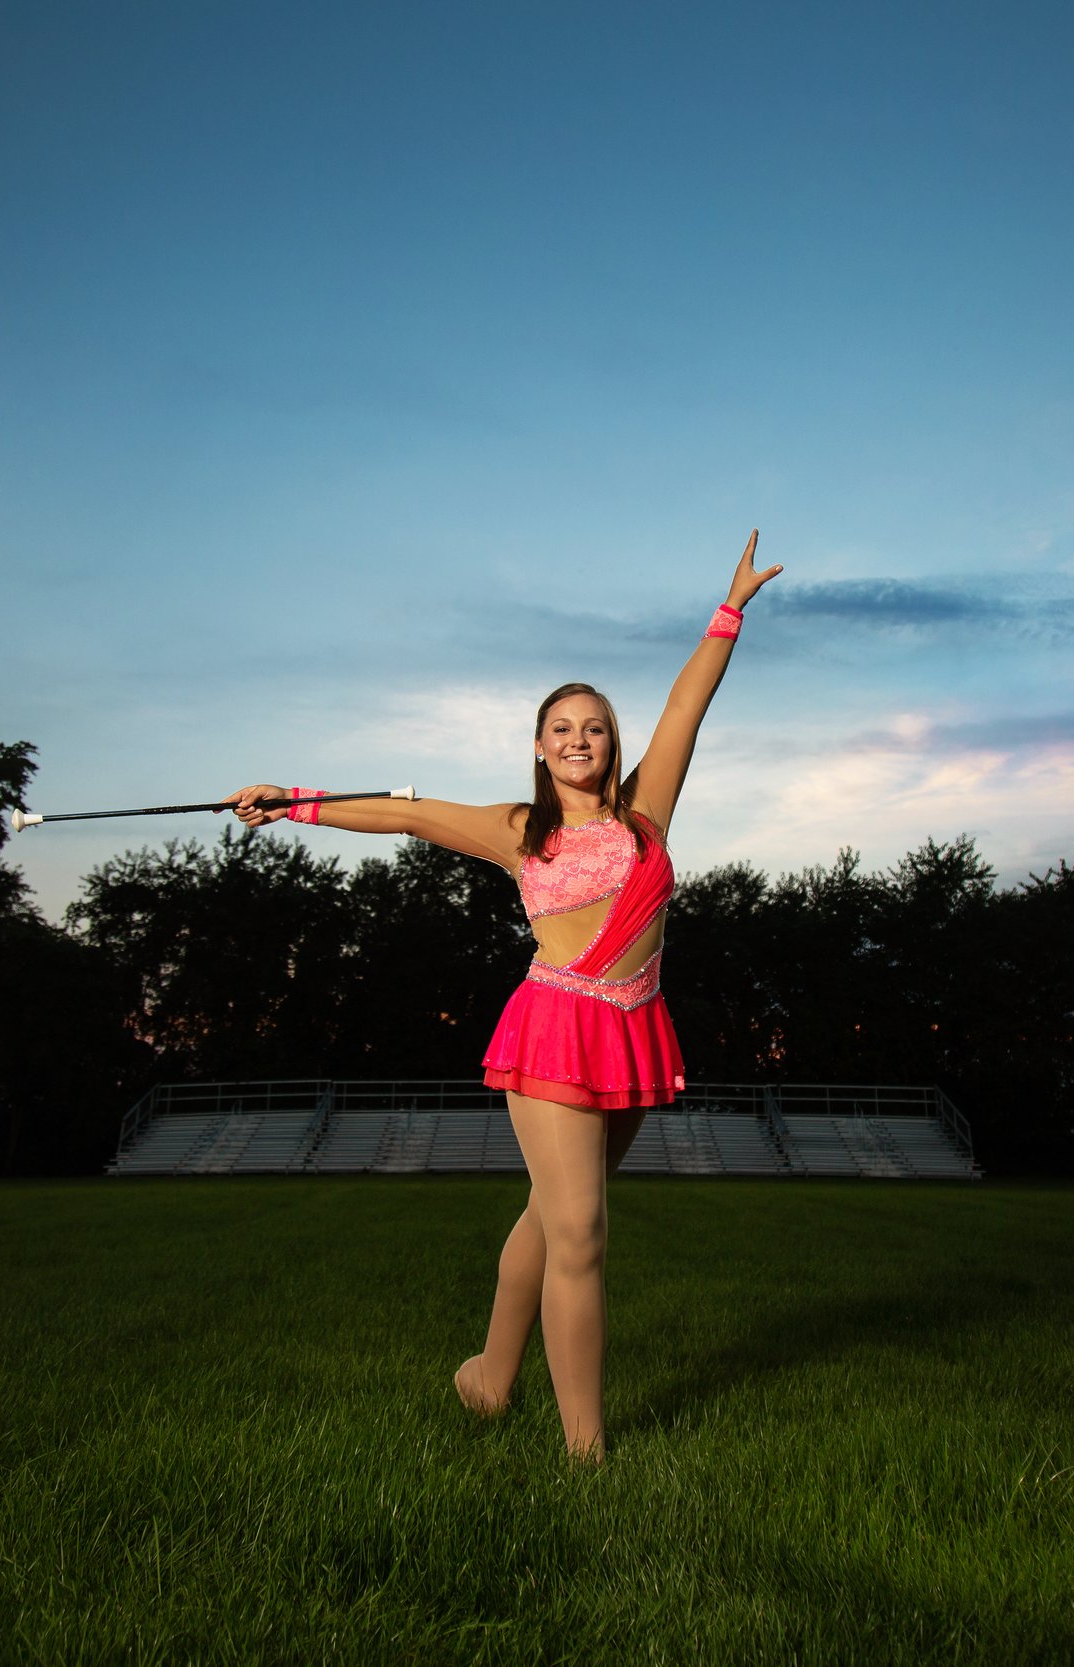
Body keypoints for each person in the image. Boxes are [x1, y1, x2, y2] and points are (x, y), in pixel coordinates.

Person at [227, 530, 782, 1459]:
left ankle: (489, 1374)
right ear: (539, 745)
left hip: (634, 1028)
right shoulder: (517, 828)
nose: (578, 740)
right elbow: (404, 813)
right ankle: (586, 1447)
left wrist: (729, 611)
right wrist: (290, 800)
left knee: (551, 1211)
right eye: (561, 727)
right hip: (554, 1027)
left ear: (610, 743)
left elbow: (689, 703)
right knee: (582, 1230)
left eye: (594, 726)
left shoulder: (648, 816)